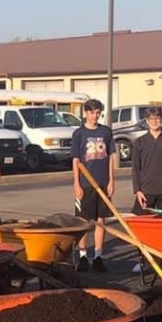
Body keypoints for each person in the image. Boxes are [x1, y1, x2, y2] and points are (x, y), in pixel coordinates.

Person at [71, 99, 116, 273]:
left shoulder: (106, 132)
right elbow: (75, 160)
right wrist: (76, 183)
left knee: (100, 221)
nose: (95, 115)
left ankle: (98, 256)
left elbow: (110, 157)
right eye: (91, 112)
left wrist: (111, 181)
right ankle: (83, 255)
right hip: (85, 184)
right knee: (83, 221)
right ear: (85, 113)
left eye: (97, 112)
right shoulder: (79, 134)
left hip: (103, 183)